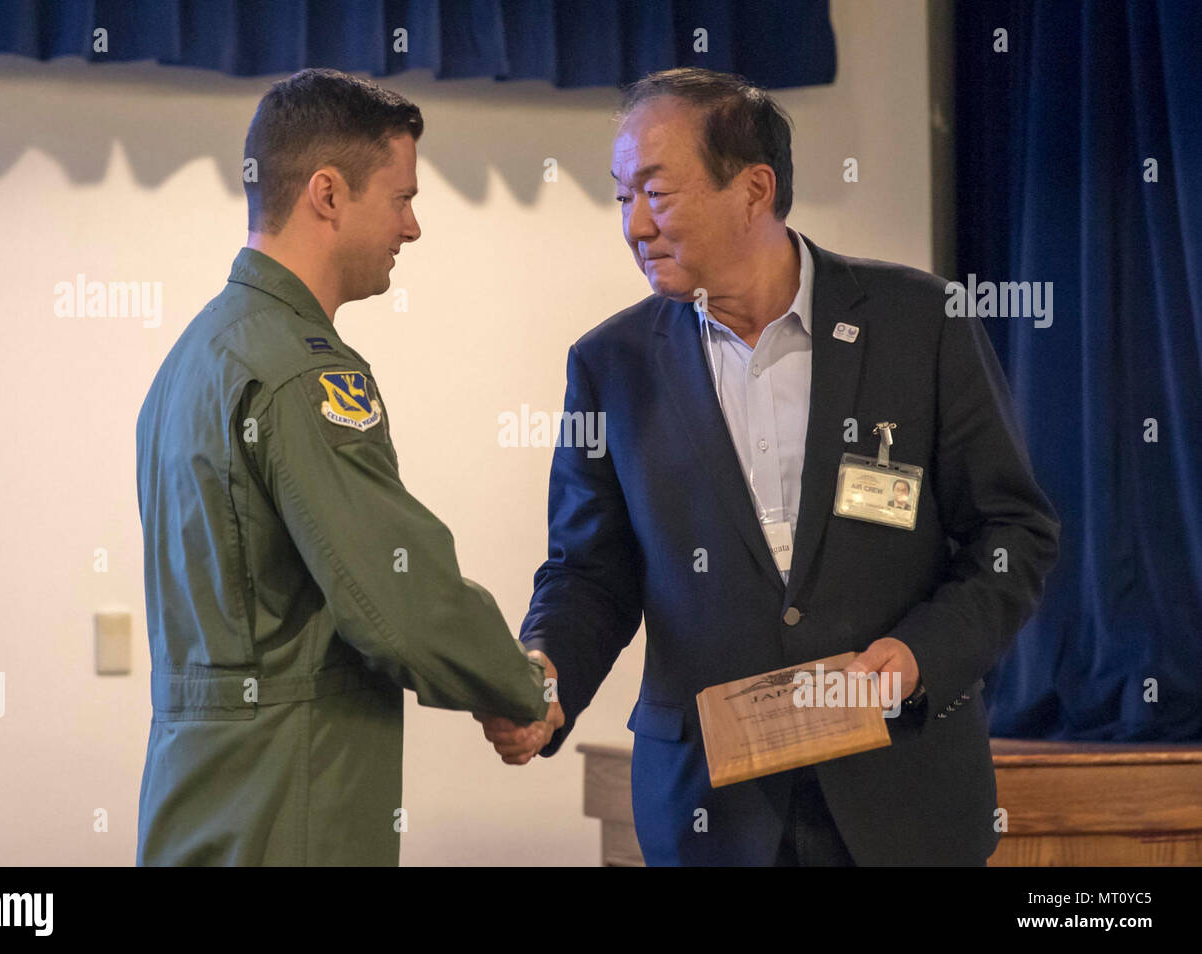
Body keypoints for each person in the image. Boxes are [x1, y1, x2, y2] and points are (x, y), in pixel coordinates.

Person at [477, 68, 1059, 866]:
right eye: (622, 198)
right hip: (710, 811)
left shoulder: (920, 323)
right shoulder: (611, 365)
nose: (635, 226)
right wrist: (546, 675)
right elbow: (589, 573)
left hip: (905, 797)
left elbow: (1013, 533)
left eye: (657, 192)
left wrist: (922, 653)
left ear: (754, 189)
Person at [136, 68, 561, 866]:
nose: (413, 228)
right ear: (328, 194)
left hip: (199, 798)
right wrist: (521, 685)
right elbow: (395, 600)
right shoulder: (304, 372)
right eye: (402, 198)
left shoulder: (195, 357)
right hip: (292, 802)